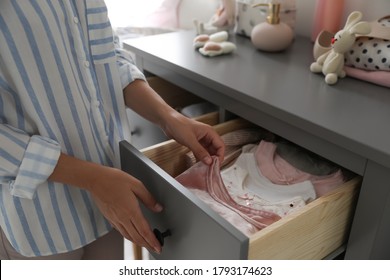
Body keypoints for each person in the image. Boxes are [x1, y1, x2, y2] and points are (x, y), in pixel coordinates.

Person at [0, 1, 224, 259]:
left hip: (113, 202)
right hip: (43, 219)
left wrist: (170, 118)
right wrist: (93, 178)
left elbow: (107, 58)